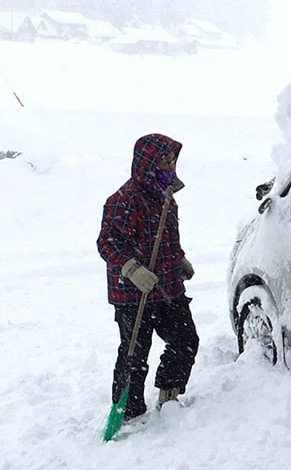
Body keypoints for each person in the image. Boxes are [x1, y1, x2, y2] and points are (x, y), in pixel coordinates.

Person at [97, 133, 199, 422]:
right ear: (148, 162)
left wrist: (178, 259)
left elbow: (164, 238)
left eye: (171, 158)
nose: (169, 164)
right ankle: (127, 411)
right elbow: (107, 242)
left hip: (167, 289)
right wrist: (131, 269)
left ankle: (169, 393)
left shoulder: (167, 198)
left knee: (185, 340)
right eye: (163, 158)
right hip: (134, 295)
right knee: (134, 355)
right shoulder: (124, 199)